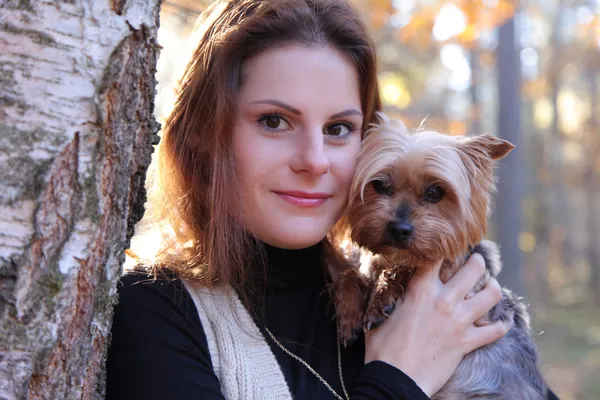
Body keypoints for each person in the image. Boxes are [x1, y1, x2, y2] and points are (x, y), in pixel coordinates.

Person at [105, 0, 559, 399]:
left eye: (338, 129)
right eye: (274, 121)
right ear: (204, 132)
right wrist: (399, 379)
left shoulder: (430, 305)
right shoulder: (153, 313)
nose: (314, 161)